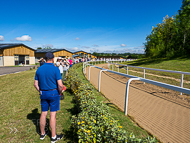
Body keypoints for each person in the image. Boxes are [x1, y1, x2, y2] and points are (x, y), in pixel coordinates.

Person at [34, 52, 64, 142]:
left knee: (43, 113)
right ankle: (53, 137)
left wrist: (41, 91)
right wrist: (60, 92)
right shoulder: (55, 69)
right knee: (52, 115)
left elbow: (35, 84)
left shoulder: (39, 69)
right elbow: (60, 85)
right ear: (53, 59)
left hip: (44, 93)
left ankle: (42, 134)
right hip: (54, 93)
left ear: (45, 58)